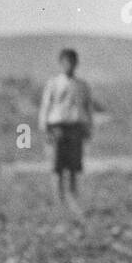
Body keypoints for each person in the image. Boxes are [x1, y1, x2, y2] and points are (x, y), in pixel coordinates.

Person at [38, 48, 94, 210]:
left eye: (72, 62)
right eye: (66, 62)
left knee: (74, 167)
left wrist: (88, 127)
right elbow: (46, 106)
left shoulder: (82, 85)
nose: (69, 66)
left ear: (76, 64)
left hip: (75, 128)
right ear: (61, 63)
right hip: (57, 128)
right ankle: (59, 202)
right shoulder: (54, 83)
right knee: (57, 167)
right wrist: (45, 129)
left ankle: (73, 201)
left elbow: (87, 107)